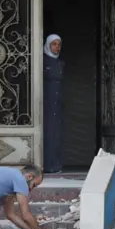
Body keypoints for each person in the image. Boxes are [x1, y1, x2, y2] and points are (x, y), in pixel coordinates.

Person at [43, 34, 65, 173]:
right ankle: (46, 165)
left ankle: (55, 165)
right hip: (45, 103)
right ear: (48, 45)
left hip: (57, 103)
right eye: (54, 44)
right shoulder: (42, 61)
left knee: (56, 134)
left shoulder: (61, 63)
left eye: (58, 44)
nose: (56, 47)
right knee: (47, 133)